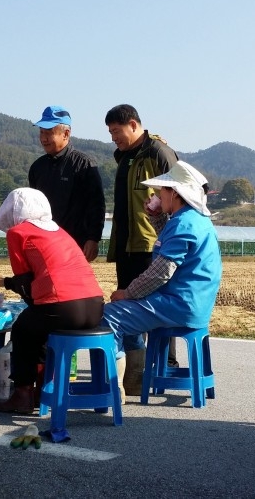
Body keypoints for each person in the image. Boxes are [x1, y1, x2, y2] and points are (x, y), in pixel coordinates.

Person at [0, 188, 104, 414]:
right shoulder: (59, 230)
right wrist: (5, 283)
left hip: (64, 306)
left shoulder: (18, 233)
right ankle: (42, 391)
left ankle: (23, 394)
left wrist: (12, 286)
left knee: (23, 328)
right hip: (95, 306)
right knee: (37, 325)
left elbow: (25, 283)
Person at [101, 161, 222, 384]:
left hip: (178, 304)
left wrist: (128, 293)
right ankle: (134, 378)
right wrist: (157, 217)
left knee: (110, 315)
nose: (158, 194)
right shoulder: (196, 220)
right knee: (124, 311)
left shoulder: (183, 223)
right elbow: (169, 242)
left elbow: (161, 272)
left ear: (174, 193)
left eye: (162, 190)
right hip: (195, 303)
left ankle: (114, 385)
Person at [104, 104, 179, 395]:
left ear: (134, 125)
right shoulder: (125, 155)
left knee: (156, 303)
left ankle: (165, 366)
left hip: (152, 242)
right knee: (127, 305)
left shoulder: (158, 152)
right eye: (110, 132)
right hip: (126, 241)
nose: (113, 138)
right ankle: (135, 374)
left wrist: (168, 228)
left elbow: (183, 188)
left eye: (117, 131)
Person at [28, 105, 105, 262]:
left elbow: (97, 205)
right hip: (45, 243)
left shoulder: (84, 164)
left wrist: (93, 238)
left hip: (75, 243)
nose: (43, 138)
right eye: (41, 132)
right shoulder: (37, 167)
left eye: (49, 133)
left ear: (66, 134)